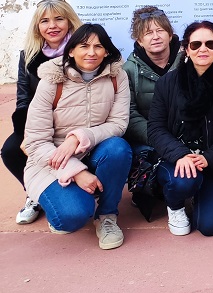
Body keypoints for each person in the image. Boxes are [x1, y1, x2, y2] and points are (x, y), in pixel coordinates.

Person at [22, 24, 131, 249]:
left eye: (98, 46)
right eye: (84, 46)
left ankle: (107, 217)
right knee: (71, 218)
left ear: (106, 51)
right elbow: (35, 142)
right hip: (50, 160)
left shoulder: (116, 76)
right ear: (71, 51)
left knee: (118, 148)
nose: (91, 52)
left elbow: (119, 124)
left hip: (94, 149)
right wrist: (77, 172)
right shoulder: (52, 81)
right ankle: (54, 199)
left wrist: (80, 136)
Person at [147, 21, 213, 237]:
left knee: (209, 226)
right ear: (186, 49)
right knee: (185, 182)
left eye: (210, 44)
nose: (203, 49)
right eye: (196, 44)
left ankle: (202, 193)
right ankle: (175, 207)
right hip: (176, 159)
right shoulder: (167, 83)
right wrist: (181, 154)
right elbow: (156, 128)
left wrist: (209, 157)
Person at [2, 0, 82, 225]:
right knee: (10, 150)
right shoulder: (28, 55)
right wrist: (28, 134)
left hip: (75, 121)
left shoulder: (82, 51)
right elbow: (23, 98)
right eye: (45, 21)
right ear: (37, 26)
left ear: (69, 21)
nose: (52, 26)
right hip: (39, 122)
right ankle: (35, 194)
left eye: (59, 19)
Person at [123, 6, 183, 219]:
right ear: (139, 40)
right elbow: (128, 114)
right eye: (148, 33)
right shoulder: (128, 71)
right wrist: (159, 139)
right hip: (149, 139)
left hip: (185, 137)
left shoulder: (189, 60)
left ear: (170, 34)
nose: (155, 37)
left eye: (160, 31)